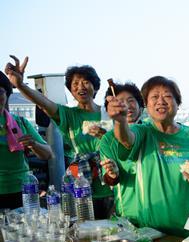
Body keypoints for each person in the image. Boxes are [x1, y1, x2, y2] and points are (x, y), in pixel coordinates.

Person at [5, 56, 114, 219]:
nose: (80, 87)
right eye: (75, 84)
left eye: (85, 82)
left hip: (112, 181)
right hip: (81, 187)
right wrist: (19, 85)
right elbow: (43, 103)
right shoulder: (68, 115)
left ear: (95, 86)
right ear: (70, 90)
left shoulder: (109, 113)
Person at [107, 76, 189, 236]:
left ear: (178, 103)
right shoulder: (143, 132)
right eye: (154, 97)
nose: (161, 101)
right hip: (152, 233)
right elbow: (126, 139)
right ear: (146, 105)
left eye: (167, 96)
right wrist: (120, 121)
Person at [0, 71, 52, 242]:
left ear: (6, 96)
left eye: (0, 93)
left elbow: (48, 154)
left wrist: (33, 144)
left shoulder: (19, 124)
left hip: (23, 193)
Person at [99, 82, 144, 223]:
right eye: (119, 101)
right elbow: (109, 179)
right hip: (129, 213)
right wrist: (113, 173)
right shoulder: (108, 139)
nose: (125, 105)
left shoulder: (152, 133)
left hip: (160, 212)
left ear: (141, 108)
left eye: (131, 101)